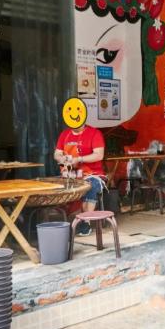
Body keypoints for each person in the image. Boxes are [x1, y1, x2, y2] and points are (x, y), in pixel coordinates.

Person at [54, 98, 106, 236]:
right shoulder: (64, 134)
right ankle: (59, 221)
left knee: (90, 185)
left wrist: (79, 159)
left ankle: (85, 223)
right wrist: (62, 159)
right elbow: (57, 154)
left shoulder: (94, 133)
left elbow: (99, 155)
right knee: (55, 186)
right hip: (70, 174)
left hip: (92, 174)